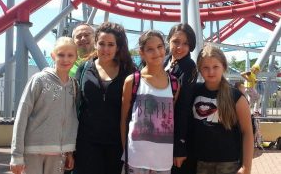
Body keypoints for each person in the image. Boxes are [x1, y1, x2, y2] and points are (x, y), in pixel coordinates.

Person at [10, 37, 79, 174]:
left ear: (76, 57)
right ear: (53, 55)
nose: (65, 59)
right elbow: (22, 116)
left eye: (70, 55)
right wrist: (16, 155)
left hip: (59, 154)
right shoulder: (39, 80)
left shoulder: (74, 85)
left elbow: (71, 119)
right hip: (33, 152)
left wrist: (69, 151)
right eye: (61, 55)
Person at [74, 22, 135, 174]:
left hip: (116, 144)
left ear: (118, 47)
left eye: (110, 44)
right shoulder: (84, 68)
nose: (105, 49)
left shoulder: (129, 71)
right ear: (95, 44)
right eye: (101, 43)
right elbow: (74, 104)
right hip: (86, 143)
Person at [121, 30, 184, 174]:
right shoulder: (133, 81)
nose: (156, 52)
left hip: (163, 158)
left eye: (160, 47)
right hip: (135, 156)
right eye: (150, 49)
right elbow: (124, 119)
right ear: (142, 53)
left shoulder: (174, 84)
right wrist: (125, 149)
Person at [192, 44, 254, 174]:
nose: (211, 72)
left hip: (228, 163)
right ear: (200, 69)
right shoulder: (194, 91)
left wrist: (246, 167)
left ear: (224, 67)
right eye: (206, 68)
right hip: (200, 162)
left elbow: (247, 132)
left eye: (215, 67)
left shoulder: (236, 97)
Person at [164, 23, 197, 174]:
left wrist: (179, 146)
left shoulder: (189, 67)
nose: (180, 47)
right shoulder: (165, 61)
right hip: (161, 130)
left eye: (186, 43)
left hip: (177, 134)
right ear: (168, 40)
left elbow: (183, 107)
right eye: (176, 41)